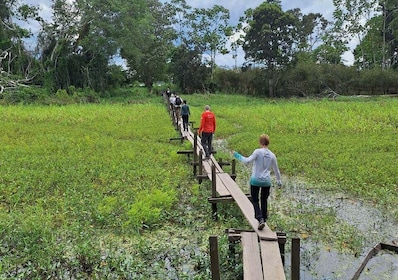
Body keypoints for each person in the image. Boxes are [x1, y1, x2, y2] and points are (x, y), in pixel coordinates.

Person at [233, 134, 282, 230]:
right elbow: (276, 170)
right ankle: (264, 218)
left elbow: (247, 161)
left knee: (255, 200)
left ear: (260, 142)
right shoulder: (272, 155)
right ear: (268, 143)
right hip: (266, 182)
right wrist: (279, 182)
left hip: (255, 180)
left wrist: (237, 155)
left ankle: (260, 219)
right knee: (264, 200)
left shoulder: (257, 152)